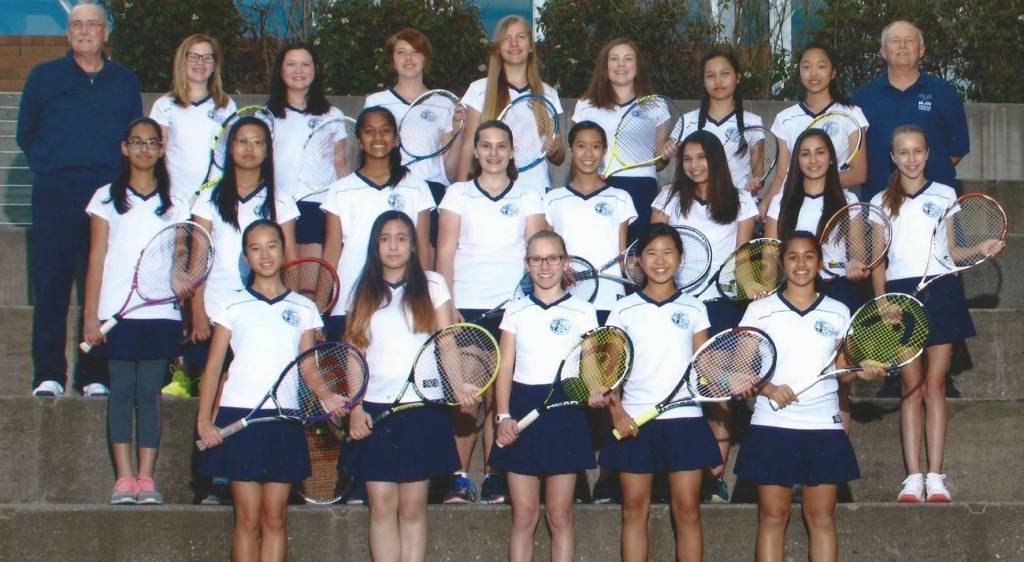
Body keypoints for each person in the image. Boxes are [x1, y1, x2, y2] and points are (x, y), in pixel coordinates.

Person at [869, 125, 1003, 502]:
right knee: (910, 386)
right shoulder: (879, 201)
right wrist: (882, 302)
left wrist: (980, 247)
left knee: (935, 385)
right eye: (903, 152)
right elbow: (878, 260)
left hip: (942, 291)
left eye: (918, 151)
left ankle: (935, 477)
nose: (911, 158)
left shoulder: (945, 193)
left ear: (927, 154)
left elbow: (951, 252)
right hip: (900, 297)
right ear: (893, 157)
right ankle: (912, 477)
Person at [735, 231, 885, 562]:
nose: (801, 264)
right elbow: (742, 370)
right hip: (772, 424)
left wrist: (862, 371)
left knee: (822, 519)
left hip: (822, 426)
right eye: (793, 257)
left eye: (808, 256)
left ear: (819, 263)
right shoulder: (760, 310)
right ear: (781, 263)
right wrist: (769, 389)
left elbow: (842, 373)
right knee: (773, 517)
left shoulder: (838, 311)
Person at [17, 1, 141, 397]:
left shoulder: (124, 81)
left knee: (102, 286)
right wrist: (51, 166)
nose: (84, 31)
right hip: (56, 195)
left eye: (92, 24)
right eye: (76, 25)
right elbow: (26, 133)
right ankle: (49, 374)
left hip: (106, 198)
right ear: (67, 32)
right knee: (51, 284)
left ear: (106, 32)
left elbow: (133, 136)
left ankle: (94, 375)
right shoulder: (44, 76)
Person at [196, 220, 333, 562]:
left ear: (284, 250)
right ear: (246, 257)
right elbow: (214, 367)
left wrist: (328, 396)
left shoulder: (303, 308)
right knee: (247, 517)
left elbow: (308, 367)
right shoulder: (231, 305)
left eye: (271, 246)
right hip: (239, 417)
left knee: (275, 517)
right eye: (255, 249)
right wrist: (204, 421)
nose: (265, 255)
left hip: (284, 419)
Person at [436, 120, 545, 504]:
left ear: (512, 152)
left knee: (501, 399)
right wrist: (448, 304)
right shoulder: (458, 194)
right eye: (486, 145)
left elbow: (537, 249)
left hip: (514, 310)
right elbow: (445, 251)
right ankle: (458, 477)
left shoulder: (529, 195)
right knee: (468, 395)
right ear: (476, 151)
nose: (494, 153)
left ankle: (494, 475)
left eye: (501, 146)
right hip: (467, 307)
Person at [341, 210, 460, 562]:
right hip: (376, 409)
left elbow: (446, 342)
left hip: (421, 407)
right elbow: (354, 354)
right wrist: (356, 407)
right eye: (385, 239)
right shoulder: (361, 291)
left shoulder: (433, 284)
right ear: (375, 246)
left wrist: (458, 386)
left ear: (412, 246)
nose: (393, 246)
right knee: (381, 505)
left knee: (412, 506)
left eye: (401, 238)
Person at [82, 118, 188, 505]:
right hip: (118, 313)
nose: (144, 149)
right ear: (124, 148)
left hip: (160, 313)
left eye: (152, 142)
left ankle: (146, 477)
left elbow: (180, 257)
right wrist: (90, 316)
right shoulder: (104, 198)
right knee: (122, 392)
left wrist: (182, 286)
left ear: (161, 149)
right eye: (137, 142)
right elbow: (97, 257)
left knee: (149, 394)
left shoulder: (177, 201)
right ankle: (123, 478)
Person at [601, 224, 721, 562]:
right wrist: (617, 412)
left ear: (679, 258)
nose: (659, 260)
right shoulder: (623, 309)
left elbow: (704, 365)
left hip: (685, 419)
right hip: (635, 421)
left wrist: (730, 379)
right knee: (633, 510)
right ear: (639, 260)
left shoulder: (695, 308)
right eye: (651, 253)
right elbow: (610, 372)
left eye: (668, 252)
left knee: (688, 510)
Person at [651, 130, 758, 502]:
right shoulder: (668, 198)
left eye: (702, 158)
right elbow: (654, 249)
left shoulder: (741, 200)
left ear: (716, 161)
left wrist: (751, 288)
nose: (695, 166)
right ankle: (671, 474)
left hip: (722, 306)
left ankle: (715, 476)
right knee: (676, 389)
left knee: (718, 392)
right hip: (677, 307)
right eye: (687, 159)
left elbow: (743, 258)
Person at [490, 230, 599, 562]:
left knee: (559, 514)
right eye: (536, 259)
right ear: (527, 264)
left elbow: (591, 369)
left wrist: (595, 391)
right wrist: (503, 416)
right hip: (523, 408)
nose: (545, 266)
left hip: (565, 413)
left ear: (565, 262)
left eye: (552, 258)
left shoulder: (583, 311)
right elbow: (505, 367)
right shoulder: (515, 310)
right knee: (523, 516)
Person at [764, 130, 862, 431]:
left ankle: (836, 448)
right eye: (805, 153)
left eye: (820, 152)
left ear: (832, 159)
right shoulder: (781, 201)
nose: (813, 160)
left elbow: (858, 252)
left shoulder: (849, 200)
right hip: (793, 295)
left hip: (837, 293)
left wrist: (856, 264)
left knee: (839, 382)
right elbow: (771, 254)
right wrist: (765, 287)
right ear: (796, 160)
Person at [320, 107, 434, 342]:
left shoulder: (417, 187)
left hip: (403, 302)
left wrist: (423, 296)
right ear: (359, 140)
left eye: (385, 131)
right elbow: (331, 250)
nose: (378, 137)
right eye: (369, 131)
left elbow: (422, 247)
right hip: (350, 300)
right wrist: (319, 307)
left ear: (396, 137)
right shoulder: (340, 189)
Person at [191, 117, 299, 343]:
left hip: (266, 311)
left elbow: (290, 260)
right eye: (242, 141)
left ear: (267, 151)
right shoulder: (209, 198)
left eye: (257, 142)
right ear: (230, 148)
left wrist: (294, 308)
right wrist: (198, 312)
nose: (249, 148)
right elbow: (198, 260)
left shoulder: (281, 200)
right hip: (216, 308)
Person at [364, 28, 466, 253]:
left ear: (425, 58)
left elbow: (448, 170)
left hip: (432, 190)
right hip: (390, 189)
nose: (408, 58)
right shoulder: (375, 102)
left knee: (426, 261)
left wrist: (459, 131)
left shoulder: (444, 104)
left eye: (415, 51)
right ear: (392, 60)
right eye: (401, 52)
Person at [853, 20, 970, 203]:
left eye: (909, 40)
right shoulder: (862, 98)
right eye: (895, 40)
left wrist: (920, 175)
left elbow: (957, 149)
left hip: (935, 205)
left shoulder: (944, 93)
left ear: (921, 50)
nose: (902, 45)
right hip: (879, 204)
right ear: (883, 51)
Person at [456, 15, 564, 190]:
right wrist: (460, 193)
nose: (514, 44)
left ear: (530, 46)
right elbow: (469, 147)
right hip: (490, 190)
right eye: (506, 38)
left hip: (536, 190)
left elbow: (559, 158)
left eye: (521, 37)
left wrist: (555, 150)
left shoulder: (548, 94)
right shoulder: (479, 90)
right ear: (498, 47)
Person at [543, 121, 637, 324]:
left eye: (595, 146)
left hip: (610, 298)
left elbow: (621, 255)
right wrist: (558, 270)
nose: (588, 153)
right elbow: (546, 253)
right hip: (565, 298)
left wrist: (640, 269)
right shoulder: (552, 199)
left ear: (604, 151)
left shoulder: (621, 198)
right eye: (581, 146)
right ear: (570, 149)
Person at [571, 38, 664, 240]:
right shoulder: (585, 105)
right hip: (599, 184)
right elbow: (577, 154)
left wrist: (666, 154)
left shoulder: (656, 105)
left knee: (636, 252)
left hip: (642, 187)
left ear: (637, 65)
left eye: (628, 59)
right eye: (614, 59)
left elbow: (659, 161)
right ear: (605, 66)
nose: (621, 65)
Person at [763, 42, 869, 217]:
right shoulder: (785, 118)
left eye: (821, 66)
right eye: (806, 67)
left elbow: (859, 174)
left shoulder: (852, 114)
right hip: (792, 207)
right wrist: (766, 203)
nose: (813, 73)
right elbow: (781, 176)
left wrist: (812, 185)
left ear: (833, 72)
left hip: (834, 207)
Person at [267, 42, 346, 258]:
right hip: (279, 206)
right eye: (291, 64)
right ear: (281, 70)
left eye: (305, 64)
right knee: (285, 276)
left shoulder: (333, 115)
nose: (298, 71)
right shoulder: (265, 116)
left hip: (318, 205)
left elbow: (341, 165)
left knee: (311, 276)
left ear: (316, 69)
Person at [149, 33, 236, 202]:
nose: (200, 63)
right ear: (182, 61)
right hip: (175, 199)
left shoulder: (227, 105)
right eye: (194, 56)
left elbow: (232, 153)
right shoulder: (164, 105)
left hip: (214, 198)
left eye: (207, 57)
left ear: (214, 65)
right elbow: (156, 154)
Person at [680, 49, 766, 194]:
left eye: (725, 74)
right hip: (696, 204)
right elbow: (679, 173)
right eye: (710, 75)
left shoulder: (753, 122)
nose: (718, 81)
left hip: (739, 203)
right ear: (703, 81)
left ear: (737, 77)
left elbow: (759, 175)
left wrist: (756, 183)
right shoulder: (686, 121)